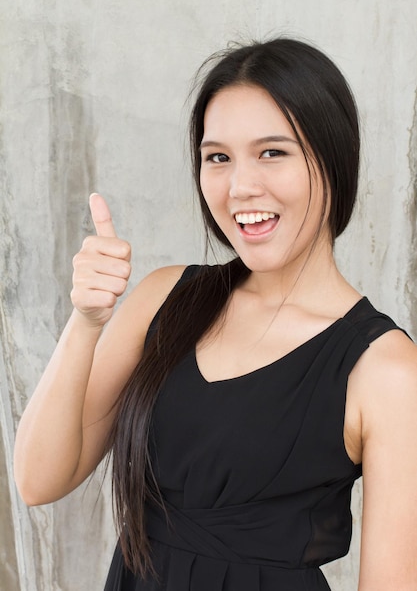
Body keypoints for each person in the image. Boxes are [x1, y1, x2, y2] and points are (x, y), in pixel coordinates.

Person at [14, 38, 417, 591]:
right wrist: (85, 321)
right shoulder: (166, 299)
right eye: (217, 157)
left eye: (273, 152)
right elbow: (38, 481)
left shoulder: (386, 369)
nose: (239, 187)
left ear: (334, 157)